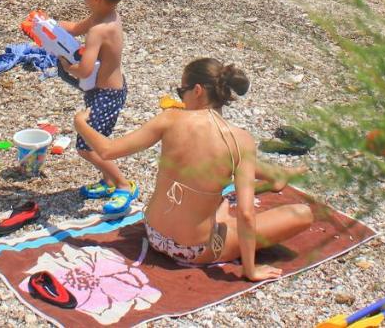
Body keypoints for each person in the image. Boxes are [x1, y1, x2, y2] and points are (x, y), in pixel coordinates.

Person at [74, 58, 315, 280]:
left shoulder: (169, 119)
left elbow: (107, 150)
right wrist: (250, 270)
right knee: (302, 214)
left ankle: (274, 176)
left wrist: (80, 124)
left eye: (182, 91)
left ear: (197, 90)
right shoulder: (240, 140)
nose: (181, 98)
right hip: (193, 251)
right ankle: (275, 176)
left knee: (220, 205)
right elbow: (246, 213)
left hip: (154, 234)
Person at [56, 0, 137, 214]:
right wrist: (51, 26)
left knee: (87, 147)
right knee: (98, 140)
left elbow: (85, 69)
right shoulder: (107, 16)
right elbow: (76, 28)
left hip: (106, 96)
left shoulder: (99, 30)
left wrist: (67, 65)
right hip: (110, 90)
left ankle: (124, 185)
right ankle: (108, 181)